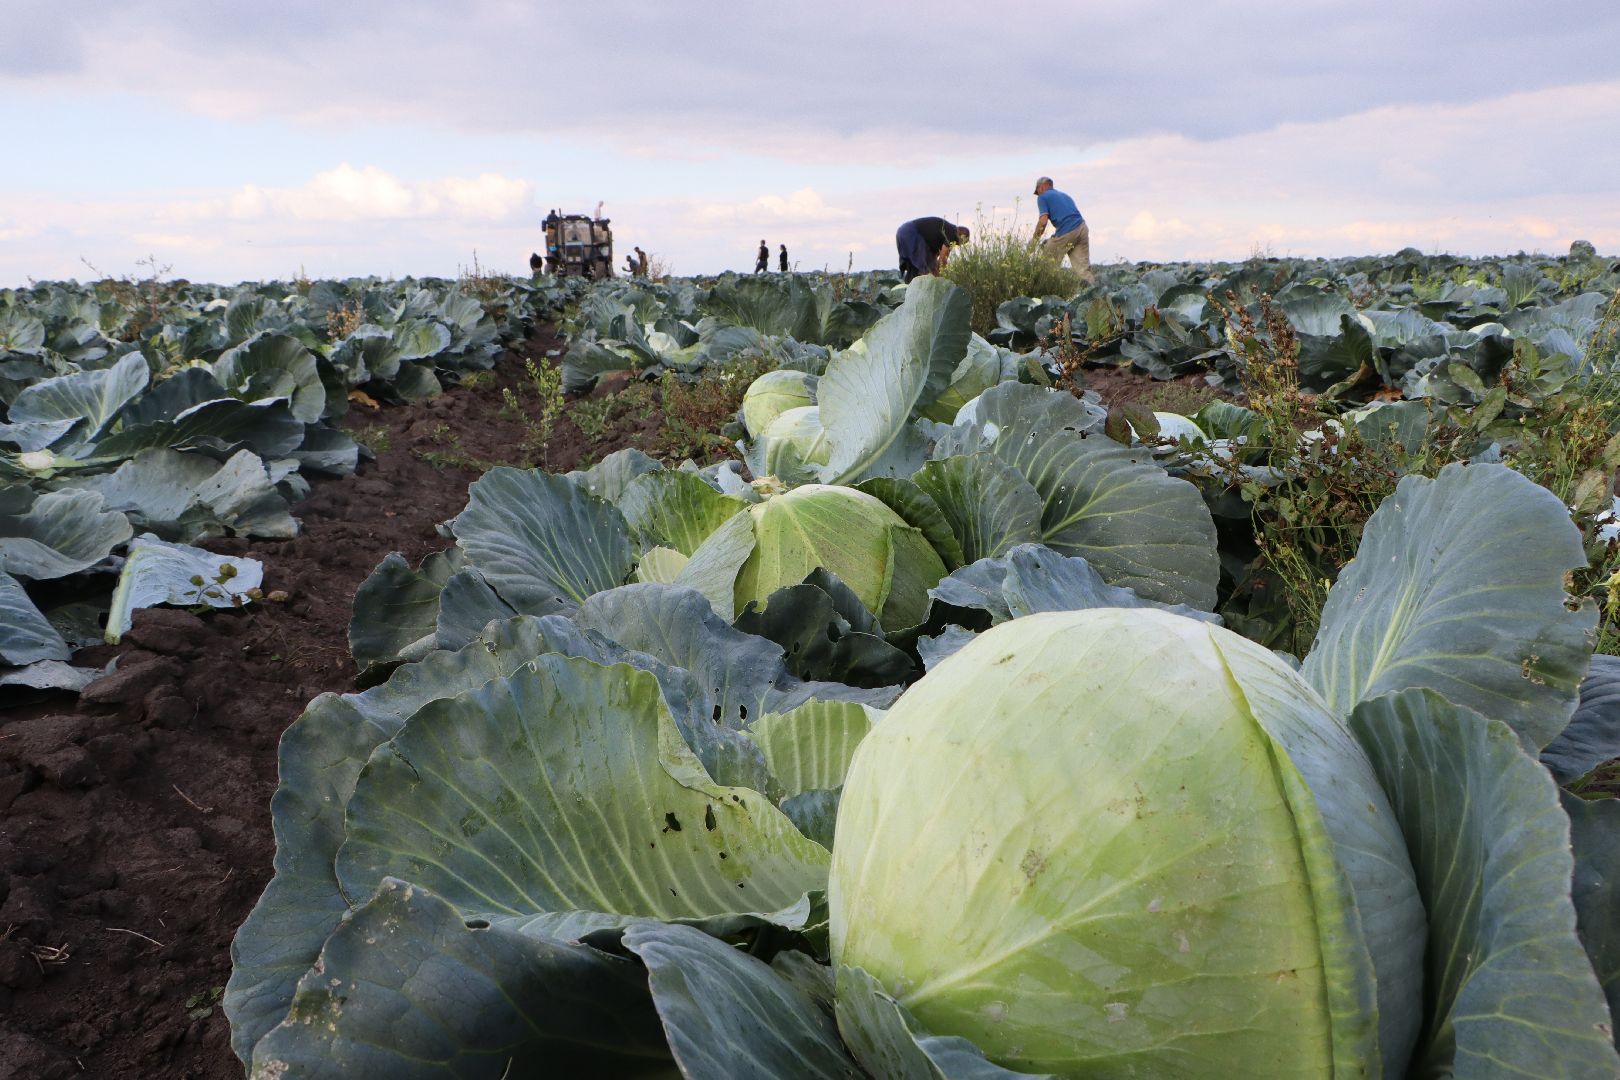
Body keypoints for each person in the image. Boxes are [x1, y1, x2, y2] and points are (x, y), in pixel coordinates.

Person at [1030, 177, 1093, 282]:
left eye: (1037, 191)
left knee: (1046, 265)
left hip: (1067, 230)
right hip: (1082, 228)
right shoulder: (1065, 196)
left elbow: (1043, 221)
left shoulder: (1042, 197)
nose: (1038, 194)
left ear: (1041, 187)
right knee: (1082, 270)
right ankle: (1095, 294)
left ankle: (1049, 291)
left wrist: (1034, 240)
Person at [895, 217, 969, 283]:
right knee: (928, 271)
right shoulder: (952, 233)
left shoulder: (945, 231)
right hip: (911, 232)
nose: (957, 245)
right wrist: (940, 275)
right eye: (961, 242)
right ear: (960, 236)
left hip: (902, 232)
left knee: (913, 269)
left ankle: (908, 290)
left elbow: (937, 256)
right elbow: (942, 258)